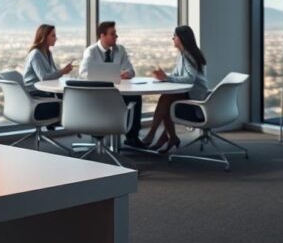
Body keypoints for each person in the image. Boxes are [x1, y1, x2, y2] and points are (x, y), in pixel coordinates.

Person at [142, 25, 209, 154]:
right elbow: (179, 76)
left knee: (166, 99)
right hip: (188, 94)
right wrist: (166, 77)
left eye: (175, 36)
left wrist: (167, 78)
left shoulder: (189, 56)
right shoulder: (183, 55)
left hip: (195, 100)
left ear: (182, 38)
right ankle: (169, 137)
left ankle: (154, 134)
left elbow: (189, 79)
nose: (172, 38)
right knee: (167, 100)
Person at [79, 21, 142, 143]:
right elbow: (83, 73)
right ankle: (99, 133)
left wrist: (127, 73)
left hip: (119, 92)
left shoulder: (120, 50)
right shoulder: (91, 51)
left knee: (135, 97)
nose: (116, 37)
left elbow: (131, 70)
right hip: (98, 94)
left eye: (116, 34)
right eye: (112, 34)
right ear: (102, 36)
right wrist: (109, 76)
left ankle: (132, 138)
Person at [23, 24, 74, 95]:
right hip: (34, 92)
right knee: (66, 96)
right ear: (44, 37)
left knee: (67, 95)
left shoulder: (48, 52)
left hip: (44, 90)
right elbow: (44, 78)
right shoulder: (36, 54)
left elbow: (54, 71)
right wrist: (62, 71)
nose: (56, 38)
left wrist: (64, 71)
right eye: (53, 36)